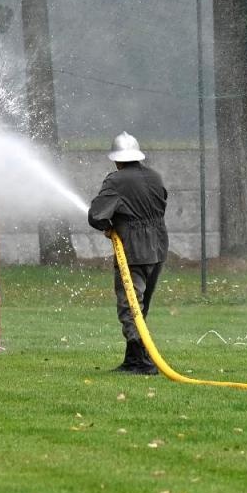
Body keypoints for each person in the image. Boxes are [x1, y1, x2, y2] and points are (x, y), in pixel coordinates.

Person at [87, 132, 168, 374]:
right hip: (158, 246)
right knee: (140, 307)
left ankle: (141, 362)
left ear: (117, 159)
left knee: (130, 305)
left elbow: (96, 215)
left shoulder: (116, 181)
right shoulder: (155, 176)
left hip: (133, 250)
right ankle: (133, 359)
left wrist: (108, 227)